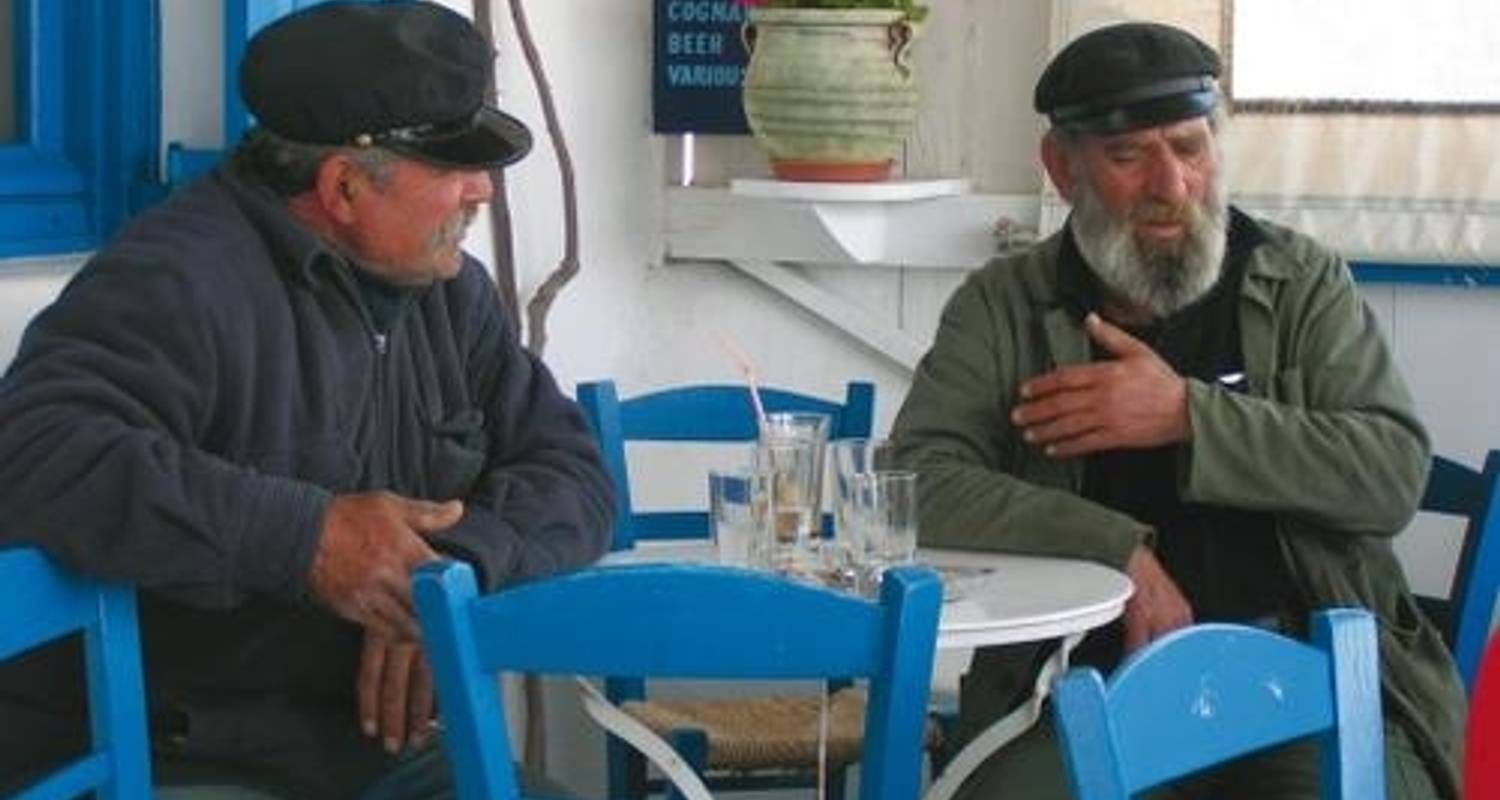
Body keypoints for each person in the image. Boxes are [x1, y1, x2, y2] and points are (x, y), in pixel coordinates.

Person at [0, 2, 613, 797]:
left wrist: (442, 577)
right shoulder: (175, 281)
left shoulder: (453, 297)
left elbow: (574, 473)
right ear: (345, 186)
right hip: (172, 760)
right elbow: (34, 452)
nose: (482, 194)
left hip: (370, 756)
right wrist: (306, 540)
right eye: (456, 169)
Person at [890, 21, 1466, 800]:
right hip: (1079, 690)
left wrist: (1187, 417)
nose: (1171, 185)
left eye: (1190, 148)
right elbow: (918, 478)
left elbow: (1390, 473)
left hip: (1301, 688)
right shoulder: (1006, 305)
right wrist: (1117, 550)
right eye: (1129, 156)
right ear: (1062, 168)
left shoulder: (1300, 283)